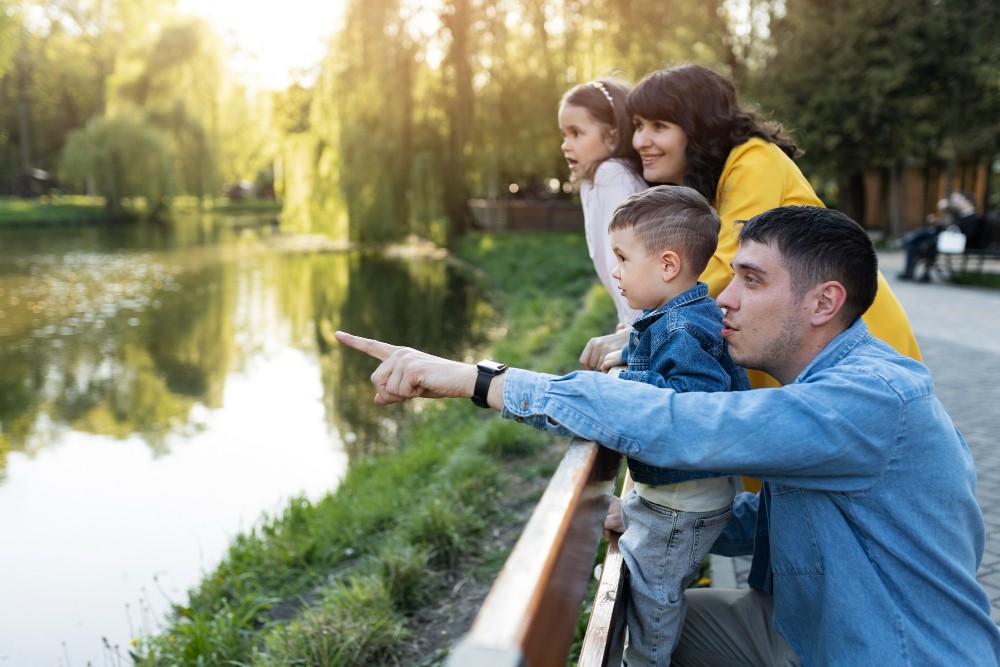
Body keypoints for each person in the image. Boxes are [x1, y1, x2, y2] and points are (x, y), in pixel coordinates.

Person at [336, 205, 1000, 666]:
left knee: (643, 629)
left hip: (891, 652)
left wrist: (477, 379)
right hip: (807, 631)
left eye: (751, 279)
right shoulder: (825, 391)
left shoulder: (869, 400)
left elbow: (682, 422)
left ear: (822, 304)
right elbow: (783, 517)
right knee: (631, 615)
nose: (724, 300)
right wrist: (650, 511)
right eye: (730, 274)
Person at [579, 63, 921, 379]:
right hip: (805, 338)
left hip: (848, 339)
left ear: (698, 128)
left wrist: (642, 333)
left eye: (659, 126)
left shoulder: (753, 160)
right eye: (638, 126)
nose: (641, 141)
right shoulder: (708, 182)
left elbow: (722, 264)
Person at [599, 185, 750, 666]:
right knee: (646, 587)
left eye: (622, 258)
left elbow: (697, 402)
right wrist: (629, 353)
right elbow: (670, 360)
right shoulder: (686, 315)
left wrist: (627, 376)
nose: (615, 272)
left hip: (680, 503)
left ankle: (644, 662)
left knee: (652, 600)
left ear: (667, 266)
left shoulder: (681, 327)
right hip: (677, 497)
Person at [559, 78, 648, 328]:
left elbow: (625, 262)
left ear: (612, 137)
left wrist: (634, 326)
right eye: (564, 134)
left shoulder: (612, 175)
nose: (565, 145)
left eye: (577, 133)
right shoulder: (593, 178)